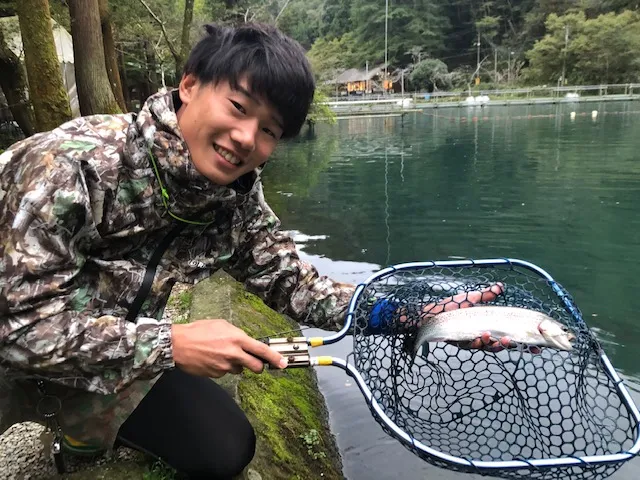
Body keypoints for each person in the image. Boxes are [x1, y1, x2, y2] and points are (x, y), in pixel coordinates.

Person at [0, 23, 507, 479]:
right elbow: (17, 328)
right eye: (238, 108)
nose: (246, 138)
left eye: (270, 130)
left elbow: (291, 283)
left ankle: (80, 426)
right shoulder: (73, 168)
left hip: (111, 355)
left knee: (223, 447)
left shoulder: (235, 198)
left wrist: (407, 315)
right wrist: (169, 343)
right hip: (13, 352)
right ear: (191, 84)